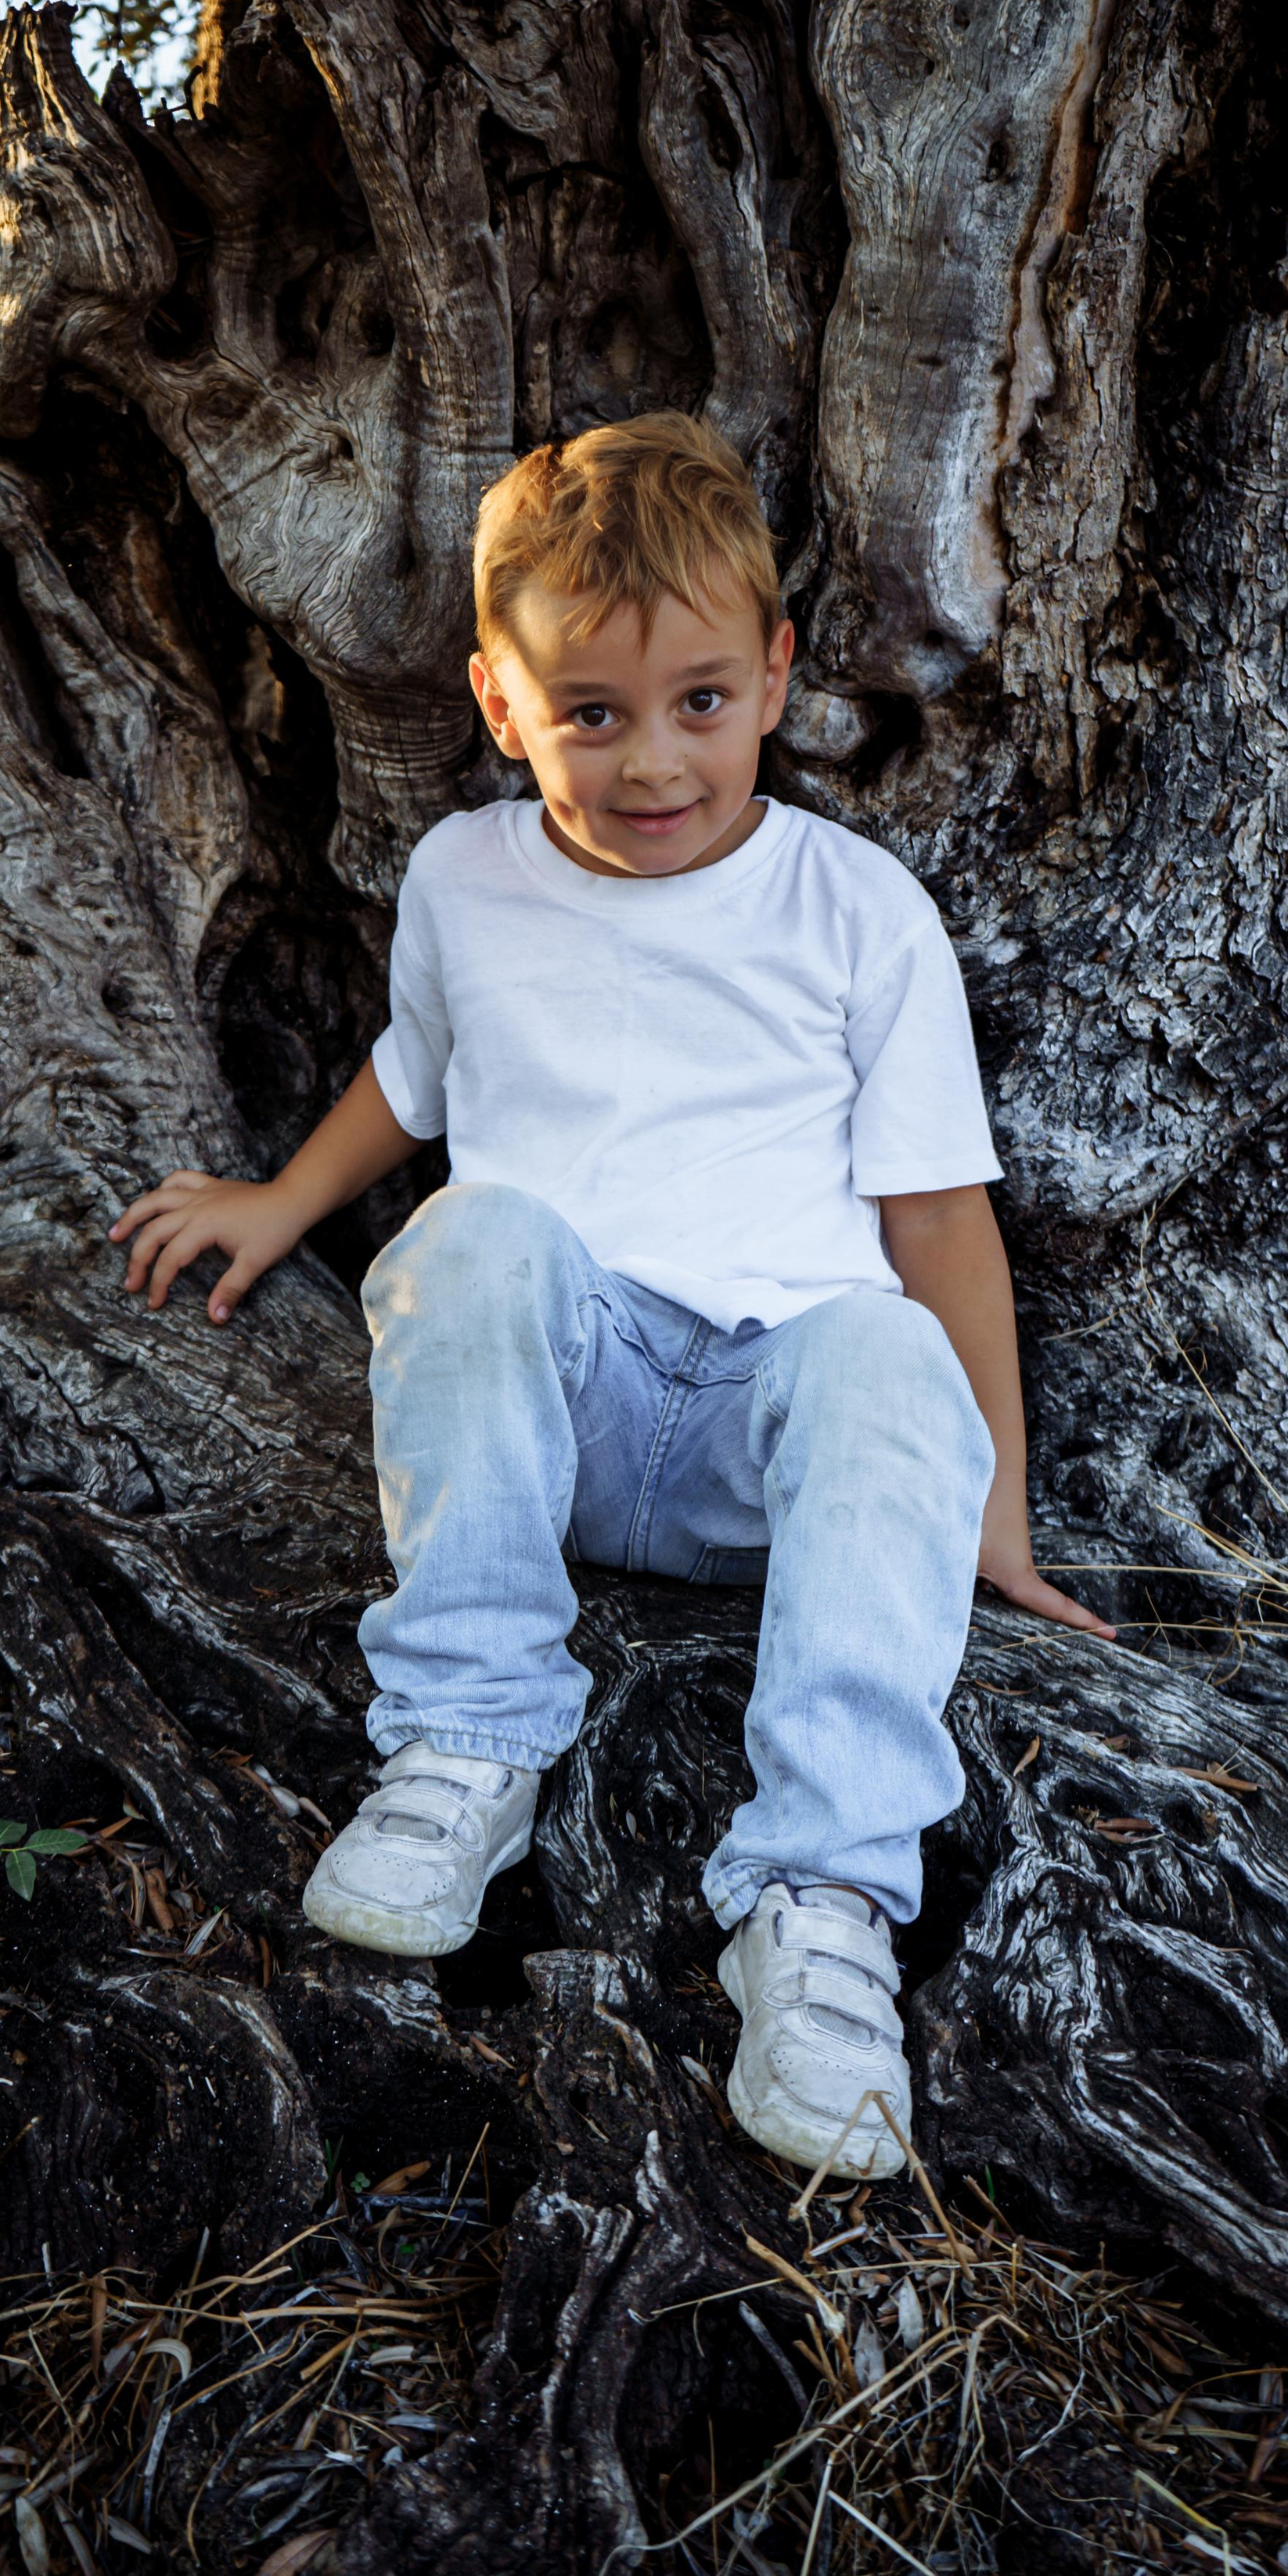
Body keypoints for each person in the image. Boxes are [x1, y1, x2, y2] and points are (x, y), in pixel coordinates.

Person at [111, 413, 1112, 2180]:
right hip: (551, 1420)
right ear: (501, 705)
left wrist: (994, 1505)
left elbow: (941, 1225)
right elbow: (413, 1079)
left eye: (700, 704)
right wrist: (281, 1202)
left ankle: (817, 1910)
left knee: (881, 1347)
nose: (652, 762)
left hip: (761, 1434)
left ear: (776, 678)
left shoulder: (854, 910)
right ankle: (464, 1744)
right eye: (590, 714)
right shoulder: (462, 881)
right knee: (469, 1237)